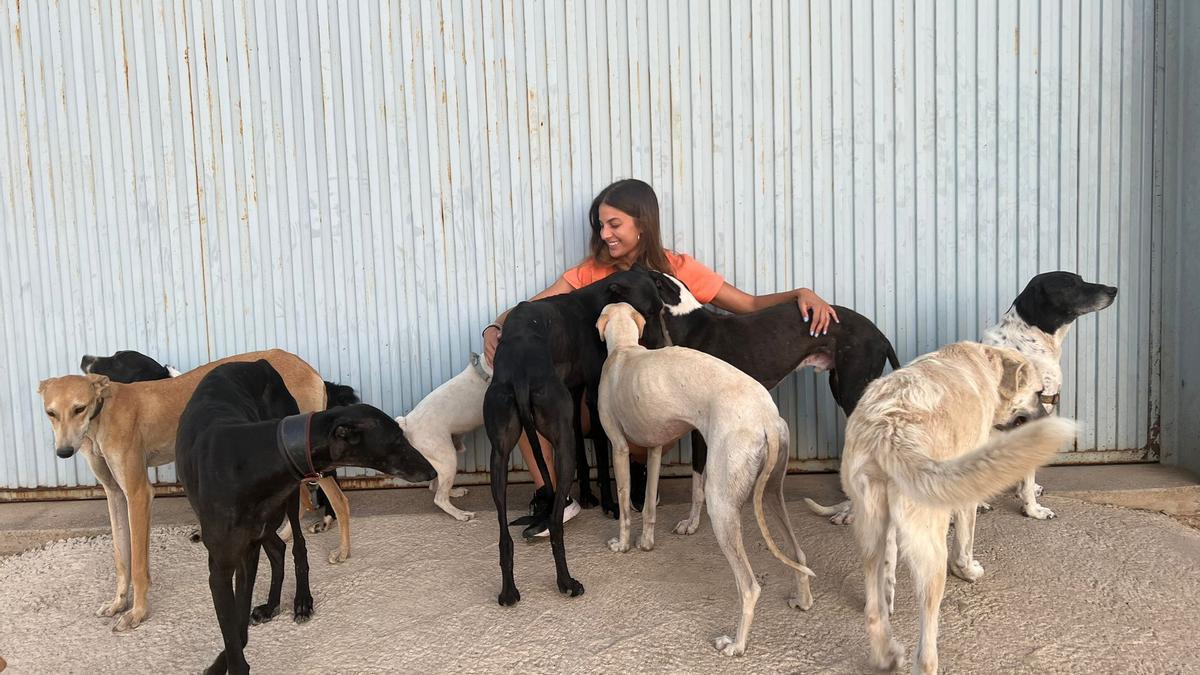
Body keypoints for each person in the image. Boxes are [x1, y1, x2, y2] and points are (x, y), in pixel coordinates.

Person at [483, 178, 838, 538]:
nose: (604, 234)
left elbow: (747, 305)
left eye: (614, 224)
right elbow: (532, 306)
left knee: (643, 427)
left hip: (651, 401)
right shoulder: (591, 272)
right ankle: (555, 498)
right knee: (520, 399)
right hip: (598, 393)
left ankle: (638, 466)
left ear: (643, 224)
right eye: (600, 225)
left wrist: (800, 293)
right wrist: (494, 328)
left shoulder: (678, 270)